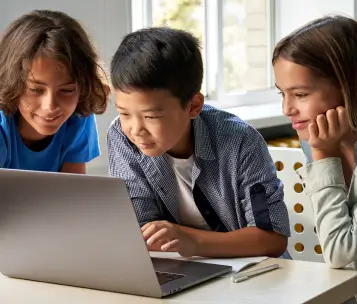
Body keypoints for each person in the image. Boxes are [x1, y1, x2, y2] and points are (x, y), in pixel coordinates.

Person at [108, 27, 290, 258]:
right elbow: (139, 229)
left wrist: (192, 241)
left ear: (194, 106)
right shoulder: (121, 136)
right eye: (124, 113)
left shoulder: (240, 140)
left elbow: (271, 239)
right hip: (179, 270)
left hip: (253, 273)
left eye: (151, 116)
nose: (135, 130)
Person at [273, 15, 357, 268]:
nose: (286, 109)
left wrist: (324, 156)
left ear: (349, 88)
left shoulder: (321, 145)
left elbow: (342, 254)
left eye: (300, 94)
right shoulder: (318, 139)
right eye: (282, 93)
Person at [0, 10, 109, 173]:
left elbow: (72, 192)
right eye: (35, 89)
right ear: (11, 83)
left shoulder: (79, 118)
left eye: (67, 90)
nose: (50, 106)